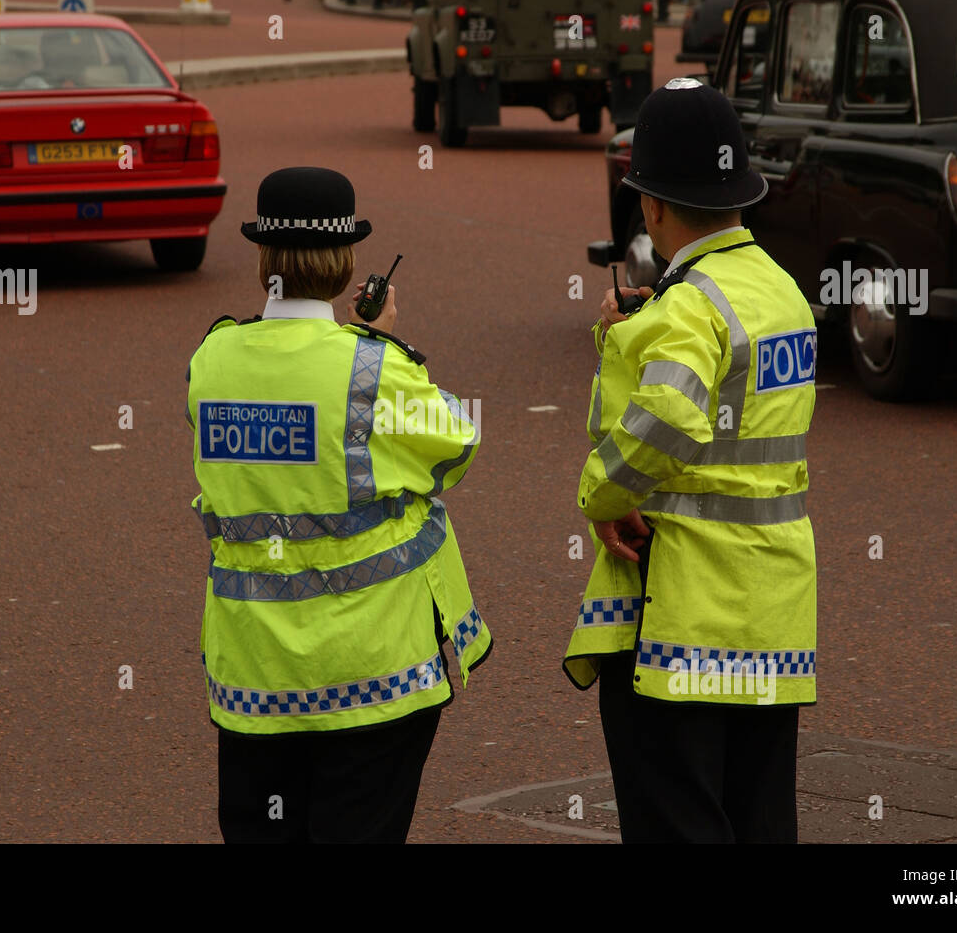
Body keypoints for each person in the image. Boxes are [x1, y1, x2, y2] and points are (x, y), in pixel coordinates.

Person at [187, 166, 492, 843]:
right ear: (347, 262)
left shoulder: (210, 359)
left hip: (252, 675)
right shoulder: (371, 368)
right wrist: (386, 341)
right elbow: (457, 446)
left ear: (264, 259)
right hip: (372, 672)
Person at [562, 78, 818, 843]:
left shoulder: (689, 308)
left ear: (651, 205)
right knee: (761, 816)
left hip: (684, 609)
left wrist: (601, 498)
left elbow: (668, 414)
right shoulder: (783, 292)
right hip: (772, 606)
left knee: (676, 818)